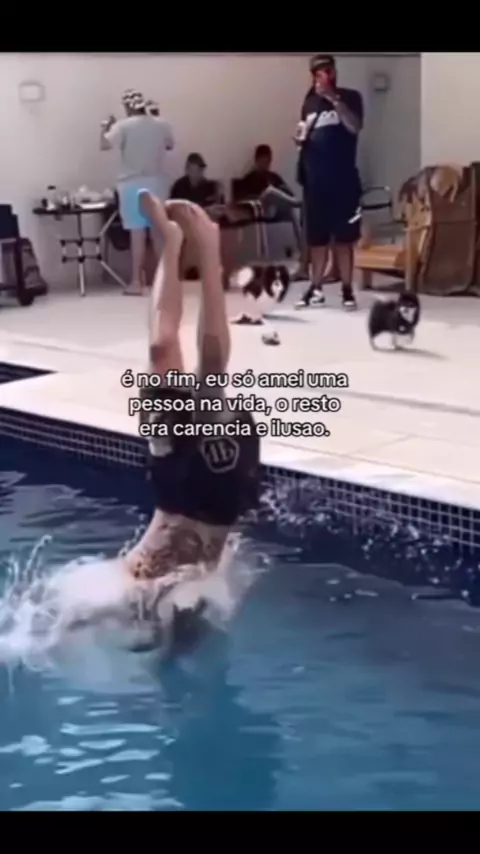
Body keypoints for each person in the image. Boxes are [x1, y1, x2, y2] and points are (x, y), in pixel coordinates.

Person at [122, 192, 260, 596]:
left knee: (163, 353)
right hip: (213, 492)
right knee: (203, 376)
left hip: (178, 489)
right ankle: (198, 246)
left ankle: (180, 243)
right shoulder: (188, 606)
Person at [294, 55, 364, 310]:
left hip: (343, 181)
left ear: (334, 72)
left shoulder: (351, 97)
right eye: (317, 73)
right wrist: (300, 140)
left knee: (344, 239)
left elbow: (354, 127)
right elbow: (304, 130)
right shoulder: (309, 103)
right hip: (315, 182)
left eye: (327, 71)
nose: (322, 76)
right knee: (317, 240)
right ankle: (315, 287)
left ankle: (347, 289)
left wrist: (334, 98)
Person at [101, 90, 175, 296]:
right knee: (158, 231)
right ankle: (164, 281)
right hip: (157, 183)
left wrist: (105, 128)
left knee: (137, 232)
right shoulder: (161, 124)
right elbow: (170, 145)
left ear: (127, 107)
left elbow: (104, 144)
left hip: (132, 184)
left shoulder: (123, 126)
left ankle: (136, 282)